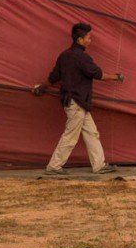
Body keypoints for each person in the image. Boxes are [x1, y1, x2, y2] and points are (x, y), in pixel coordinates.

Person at [33, 22, 125, 176]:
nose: (90, 40)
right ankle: (54, 166)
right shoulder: (82, 57)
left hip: (76, 103)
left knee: (91, 133)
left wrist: (41, 88)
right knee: (70, 136)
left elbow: (54, 77)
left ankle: (99, 165)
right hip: (77, 103)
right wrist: (116, 77)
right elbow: (98, 75)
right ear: (80, 40)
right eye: (88, 37)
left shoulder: (64, 55)